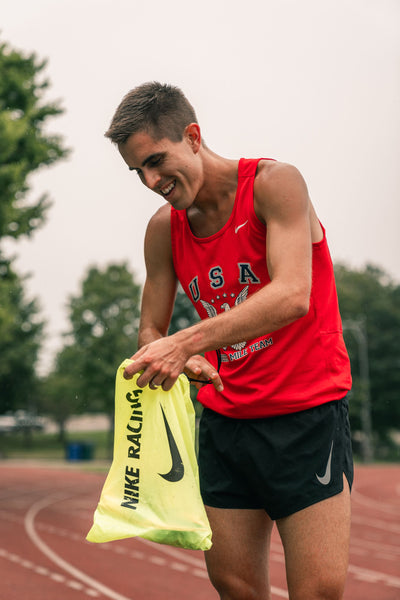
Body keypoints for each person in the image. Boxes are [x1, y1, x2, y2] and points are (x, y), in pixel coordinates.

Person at [105, 82, 353, 600]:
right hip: (225, 423)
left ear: (192, 136)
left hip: (304, 415)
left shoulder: (275, 183)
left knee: (318, 591)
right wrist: (171, 352)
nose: (151, 181)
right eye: (138, 172)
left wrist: (186, 341)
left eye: (156, 160)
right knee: (235, 586)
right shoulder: (162, 230)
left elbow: (292, 295)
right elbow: (150, 328)